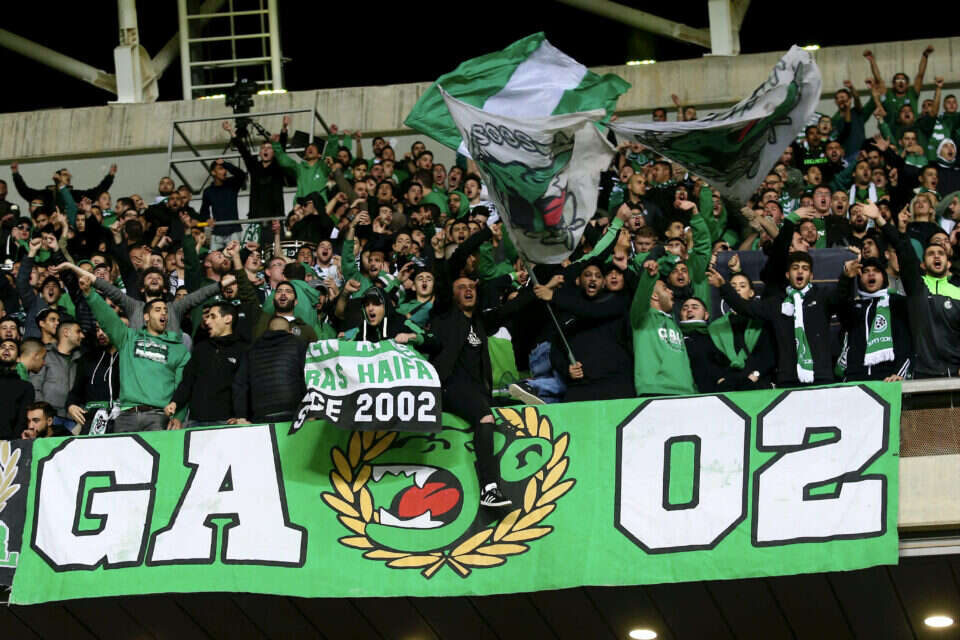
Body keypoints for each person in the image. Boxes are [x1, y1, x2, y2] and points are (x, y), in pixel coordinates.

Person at [710, 251, 858, 387]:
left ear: (811, 276)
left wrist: (847, 277)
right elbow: (745, 308)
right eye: (795, 268)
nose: (800, 271)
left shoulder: (822, 298)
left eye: (805, 268)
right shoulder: (776, 304)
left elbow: (841, 298)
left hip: (821, 376)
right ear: (788, 275)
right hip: (788, 379)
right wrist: (723, 286)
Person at [79, 270, 189, 432]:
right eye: (157, 309)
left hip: (158, 416)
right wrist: (90, 294)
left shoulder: (179, 350)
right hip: (126, 416)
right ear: (146, 317)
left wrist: (178, 417)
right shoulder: (127, 338)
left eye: (165, 310)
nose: (163, 313)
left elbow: (183, 387)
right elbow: (107, 318)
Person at [167, 302, 246, 427]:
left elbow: (243, 387)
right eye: (207, 317)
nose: (207, 321)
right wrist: (175, 402)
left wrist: (241, 416)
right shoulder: (201, 348)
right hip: (195, 422)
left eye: (213, 316)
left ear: (227, 319)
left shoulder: (242, 350)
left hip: (226, 423)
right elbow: (188, 381)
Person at [630, 258, 696, 396]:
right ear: (654, 295)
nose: (671, 291)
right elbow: (640, 298)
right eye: (665, 288)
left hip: (685, 392)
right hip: (655, 389)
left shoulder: (674, 324)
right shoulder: (642, 318)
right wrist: (649, 277)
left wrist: (692, 388)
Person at [233, 317, 307, 423]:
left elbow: (240, 383)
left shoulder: (251, 349)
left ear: (268, 331)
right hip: (294, 412)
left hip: (262, 413)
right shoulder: (298, 344)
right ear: (290, 331)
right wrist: (311, 411)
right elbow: (307, 377)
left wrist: (241, 416)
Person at [30, 319, 84, 431]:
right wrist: (44, 413)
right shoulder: (46, 354)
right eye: (78, 331)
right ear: (66, 332)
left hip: (73, 419)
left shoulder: (81, 359)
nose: (82, 336)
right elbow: (35, 387)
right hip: (50, 418)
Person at [200, 158, 247, 250]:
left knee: (235, 257)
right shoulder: (208, 191)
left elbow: (241, 175)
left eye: (225, 168)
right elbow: (204, 210)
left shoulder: (232, 184)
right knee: (213, 257)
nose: (225, 171)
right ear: (213, 172)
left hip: (234, 231)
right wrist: (207, 219)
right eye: (221, 168)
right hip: (217, 232)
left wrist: (225, 164)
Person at [0, 339, 35, 440]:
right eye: (3, 347)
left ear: (19, 359)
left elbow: (22, 420)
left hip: (7, 441)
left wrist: (14, 442)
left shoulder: (26, 387)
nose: (6, 349)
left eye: (11, 348)